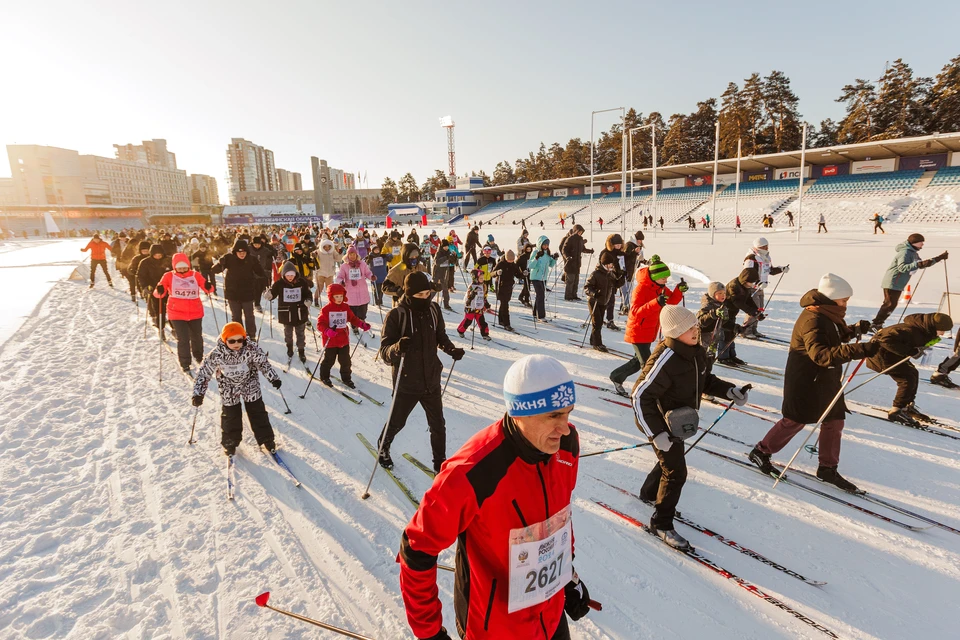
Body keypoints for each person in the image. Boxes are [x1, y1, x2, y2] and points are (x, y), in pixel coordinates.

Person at [398, 354, 591, 640]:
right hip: (495, 628)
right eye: (553, 416)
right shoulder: (474, 470)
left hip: (550, 617)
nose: (565, 428)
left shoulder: (566, 444)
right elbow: (416, 549)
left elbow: (560, 517)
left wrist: (566, 575)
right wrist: (429, 634)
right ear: (520, 413)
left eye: (568, 413)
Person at [749, 274, 879, 492]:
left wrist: (855, 330)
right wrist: (861, 350)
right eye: (843, 300)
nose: (845, 304)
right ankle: (761, 452)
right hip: (807, 379)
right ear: (831, 298)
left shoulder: (827, 313)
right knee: (795, 420)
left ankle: (827, 468)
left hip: (826, 380)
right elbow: (820, 354)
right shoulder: (813, 318)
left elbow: (834, 337)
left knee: (834, 420)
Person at [633, 306, 744, 550]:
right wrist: (656, 433)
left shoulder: (697, 353)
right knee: (676, 472)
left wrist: (728, 390)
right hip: (662, 423)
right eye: (687, 328)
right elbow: (640, 396)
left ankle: (650, 493)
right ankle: (661, 523)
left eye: (694, 326)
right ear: (673, 333)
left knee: (670, 460)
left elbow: (705, 380)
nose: (695, 330)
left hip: (681, 422)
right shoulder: (665, 358)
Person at [377, 272, 464, 472]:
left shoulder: (434, 309)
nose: (425, 298)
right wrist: (397, 347)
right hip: (407, 381)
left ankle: (439, 463)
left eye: (427, 294)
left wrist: (451, 349)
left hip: (431, 378)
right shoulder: (396, 315)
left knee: (438, 425)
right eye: (420, 295)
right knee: (397, 421)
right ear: (409, 294)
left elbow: (440, 336)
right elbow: (384, 352)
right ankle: (383, 446)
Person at [193, 322, 282, 455]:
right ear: (225, 340)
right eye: (232, 340)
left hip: (249, 382)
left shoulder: (251, 348)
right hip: (228, 385)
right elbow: (203, 373)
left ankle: (266, 439)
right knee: (231, 414)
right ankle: (230, 442)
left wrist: (273, 378)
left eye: (240, 340)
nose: (236, 343)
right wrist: (198, 393)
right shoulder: (216, 354)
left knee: (257, 410)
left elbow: (263, 363)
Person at [609, 256, 684, 395]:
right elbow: (636, 312)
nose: (665, 281)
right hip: (638, 330)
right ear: (655, 277)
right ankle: (644, 393)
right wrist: (656, 302)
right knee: (648, 365)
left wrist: (679, 290)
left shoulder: (660, 288)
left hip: (650, 331)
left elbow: (671, 302)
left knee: (638, 362)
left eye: (666, 279)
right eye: (663, 279)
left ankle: (616, 377)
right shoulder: (641, 289)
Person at [867, 313, 953, 425]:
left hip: (892, 355)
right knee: (906, 379)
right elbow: (885, 340)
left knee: (913, 373)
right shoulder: (910, 330)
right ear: (933, 326)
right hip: (880, 356)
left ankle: (906, 406)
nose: (942, 333)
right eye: (942, 330)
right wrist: (910, 351)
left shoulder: (922, 329)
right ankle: (897, 410)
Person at [871, 233, 948, 331]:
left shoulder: (913, 252)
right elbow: (902, 267)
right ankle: (875, 324)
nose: (922, 244)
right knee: (889, 304)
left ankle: (877, 324)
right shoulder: (905, 252)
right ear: (915, 242)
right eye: (921, 242)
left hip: (898, 282)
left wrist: (938, 258)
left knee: (891, 304)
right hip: (893, 281)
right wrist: (919, 264)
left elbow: (921, 264)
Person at [152, 252, 214, 372]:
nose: (182, 269)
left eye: (184, 267)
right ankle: (185, 362)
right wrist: (159, 290)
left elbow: (207, 288)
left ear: (188, 266)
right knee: (183, 338)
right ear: (175, 267)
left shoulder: (195, 275)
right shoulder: (168, 276)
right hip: (176, 313)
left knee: (197, 336)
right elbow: (159, 292)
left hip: (195, 311)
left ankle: (198, 355)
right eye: (179, 267)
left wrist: (208, 286)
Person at [316, 283, 370, 387]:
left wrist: (362, 324)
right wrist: (327, 331)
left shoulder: (345, 307)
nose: (339, 299)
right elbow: (320, 324)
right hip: (331, 341)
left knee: (345, 361)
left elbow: (352, 318)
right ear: (331, 297)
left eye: (341, 296)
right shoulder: (326, 309)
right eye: (336, 296)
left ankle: (347, 379)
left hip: (343, 340)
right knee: (329, 360)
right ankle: (324, 377)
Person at [211, 239, 266, 338]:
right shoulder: (228, 258)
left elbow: (260, 273)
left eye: (244, 252)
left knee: (249, 316)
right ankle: (238, 335)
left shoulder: (251, 259)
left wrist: (258, 266)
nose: (242, 254)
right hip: (233, 293)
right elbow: (215, 270)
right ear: (235, 252)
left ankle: (252, 336)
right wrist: (220, 263)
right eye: (239, 252)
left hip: (247, 292)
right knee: (236, 317)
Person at [265, 260, 313, 365]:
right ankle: (289, 348)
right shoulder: (279, 283)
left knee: (300, 333)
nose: (290, 277)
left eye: (292, 275)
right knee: (288, 333)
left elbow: (308, 293)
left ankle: (301, 351)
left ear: (296, 274)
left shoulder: (302, 282)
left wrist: (309, 300)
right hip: (286, 313)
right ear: (284, 275)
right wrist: (269, 295)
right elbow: (273, 293)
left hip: (300, 312)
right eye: (288, 275)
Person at [740, 237, 789, 339]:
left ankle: (754, 329)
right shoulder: (751, 258)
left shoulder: (765, 257)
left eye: (767, 246)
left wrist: (781, 269)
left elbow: (770, 270)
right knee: (753, 309)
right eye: (764, 246)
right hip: (752, 287)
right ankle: (746, 331)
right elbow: (746, 275)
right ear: (758, 247)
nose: (766, 248)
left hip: (761, 287)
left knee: (760, 308)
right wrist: (757, 283)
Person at [718, 269, 761, 366]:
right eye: (752, 282)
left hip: (732, 313)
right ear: (745, 280)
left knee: (732, 333)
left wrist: (757, 312)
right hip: (724, 313)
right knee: (725, 335)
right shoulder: (734, 285)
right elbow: (737, 302)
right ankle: (722, 357)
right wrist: (751, 311)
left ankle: (731, 356)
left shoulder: (745, 286)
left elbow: (748, 300)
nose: (753, 284)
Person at [335, 245, 375, 335]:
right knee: (353, 313)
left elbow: (367, 273)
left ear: (357, 255)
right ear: (347, 255)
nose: (352, 256)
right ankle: (354, 326)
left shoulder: (362, 264)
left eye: (354, 254)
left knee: (362, 312)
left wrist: (371, 276)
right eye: (350, 254)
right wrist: (341, 282)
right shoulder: (344, 266)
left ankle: (362, 321)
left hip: (362, 292)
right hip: (350, 294)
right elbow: (339, 277)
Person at [583, 253, 619, 352]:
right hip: (594, 301)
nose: (611, 266)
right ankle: (597, 343)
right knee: (597, 322)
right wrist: (594, 293)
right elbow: (587, 287)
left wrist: (621, 279)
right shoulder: (596, 274)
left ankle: (593, 339)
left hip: (603, 301)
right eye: (609, 264)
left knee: (598, 322)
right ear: (604, 264)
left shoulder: (610, 274)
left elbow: (615, 284)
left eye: (612, 264)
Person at [137, 243, 172, 333]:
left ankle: (174, 327)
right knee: (159, 309)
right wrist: (145, 287)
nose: (158, 257)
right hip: (154, 289)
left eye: (160, 255)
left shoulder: (168, 260)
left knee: (171, 308)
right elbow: (141, 276)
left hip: (169, 288)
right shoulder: (145, 262)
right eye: (155, 255)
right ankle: (161, 327)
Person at [381, 243, 427, 307]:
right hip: (402, 304)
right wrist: (398, 291)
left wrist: (434, 286)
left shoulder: (422, 268)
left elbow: (427, 284)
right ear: (405, 256)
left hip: (420, 303)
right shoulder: (397, 270)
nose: (414, 259)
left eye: (416, 257)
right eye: (411, 257)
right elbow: (385, 287)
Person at [598, 234, 625, 330]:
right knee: (607, 300)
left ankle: (608, 319)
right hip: (605, 279)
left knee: (610, 301)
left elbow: (623, 263)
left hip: (614, 280)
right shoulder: (605, 252)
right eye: (616, 245)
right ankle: (607, 319)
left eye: (620, 244)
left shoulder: (621, 253)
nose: (618, 246)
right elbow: (601, 265)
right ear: (612, 244)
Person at [493, 249, 524, 331]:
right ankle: (507, 324)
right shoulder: (501, 264)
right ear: (506, 258)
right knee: (505, 304)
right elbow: (492, 273)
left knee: (504, 303)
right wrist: (497, 273)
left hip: (509, 286)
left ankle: (501, 320)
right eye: (509, 259)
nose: (511, 261)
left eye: (512, 260)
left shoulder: (514, 265)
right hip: (500, 286)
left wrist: (523, 274)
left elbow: (518, 275)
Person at [697, 282, 729, 359]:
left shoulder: (722, 306)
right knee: (702, 357)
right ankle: (700, 370)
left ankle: (708, 369)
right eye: (720, 293)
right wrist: (712, 314)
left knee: (711, 357)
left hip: (714, 337)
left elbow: (724, 322)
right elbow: (700, 321)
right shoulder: (707, 305)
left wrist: (735, 327)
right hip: (704, 337)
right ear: (713, 294)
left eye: (724, 293)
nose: (723, 295)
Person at [529, 236, 557, 322]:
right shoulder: (535, 252)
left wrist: (554, 258)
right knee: (541, 295)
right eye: (544, 245)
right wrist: (536, 258)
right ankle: (541, 316)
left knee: (540, 295)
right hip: (535, 277)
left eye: (547, 245)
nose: (546, 246)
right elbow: (530, 266)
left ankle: (535, 313)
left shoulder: (547, 253)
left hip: (543, 277)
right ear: (540, 244)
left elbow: (550, 265)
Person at [561, 225, 593, 300]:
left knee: (576, 281)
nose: (580, 233)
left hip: (577, 263)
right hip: (570, 263)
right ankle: (568, 296)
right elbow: (564, 250)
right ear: (575, 231)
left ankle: (574, 295)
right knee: (570, 281)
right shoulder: (570, 239)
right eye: (579, 232)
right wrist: (567, 257)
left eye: (581, 232)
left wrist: (590, 251)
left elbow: (583, 249)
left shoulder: (580, 240)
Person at [457, 268, 491, 340]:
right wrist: (472, 296)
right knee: (468, 320)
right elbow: (468, 297)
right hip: (470, 307)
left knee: (481, 321)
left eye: (483, 278)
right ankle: (460, 330)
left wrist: (486, 303)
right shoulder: (471, 286)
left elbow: (483, 296)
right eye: (481, 278)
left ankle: (485, 334)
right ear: (475, 278)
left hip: (479, 306)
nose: (482, 279)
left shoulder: (483, 286)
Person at [620, 231, 646, 315]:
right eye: (640, 240)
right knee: (625, 289)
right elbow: (626, 256)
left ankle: (625, 305)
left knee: (629, 289)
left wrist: (644, 261)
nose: (641, 242)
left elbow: (637, 259)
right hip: (626, 270)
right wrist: (634, 252)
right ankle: (625, 306)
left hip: (631, 270)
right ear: (636, 239)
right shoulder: (629, 245)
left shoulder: (637, 246)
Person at [313, 239, 342, 306]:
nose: (327, 248)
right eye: (325, 247)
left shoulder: (332, 252)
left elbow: (338, 258)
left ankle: (331, 301)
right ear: (322, 247)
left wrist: (340, 253)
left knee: (330, 288)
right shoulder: (319, 252)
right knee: (320, 287)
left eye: (328, 247)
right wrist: (313, 255)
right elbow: (313, 255)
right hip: (320, 273)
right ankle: (316, 300)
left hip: (329, 273)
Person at [432, 239, 455, 311]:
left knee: (445, 290)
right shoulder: (439, 253)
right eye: (445, 246)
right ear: (442, 246)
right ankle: (427, 301)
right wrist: (446, 257)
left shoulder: (449, 252)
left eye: (447, 246)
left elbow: (453, 262)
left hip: (445, 274)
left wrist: (454, 256)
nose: (446, 248)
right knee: (435, 289)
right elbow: (437, 262)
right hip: (437, 274)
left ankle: (446, 304)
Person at [516, 242, 534, 308]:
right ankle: (526, 300)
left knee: (527, 286)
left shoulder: (532, 256)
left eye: (530, 249)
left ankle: (521, 296)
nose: (528, 251)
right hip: (524, 273)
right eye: (527, 249)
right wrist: (520, 272)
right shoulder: (522, 256)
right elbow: (517, 265)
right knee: (527, 287)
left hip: (531, 273)